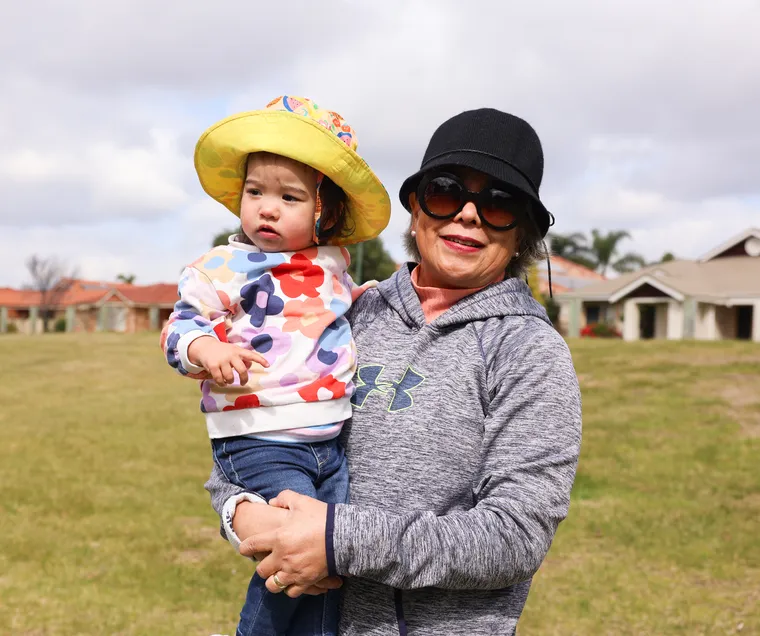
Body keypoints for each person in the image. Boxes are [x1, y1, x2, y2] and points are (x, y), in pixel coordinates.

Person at [205, 106, 583, 636]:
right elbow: (250, 438)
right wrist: (242, 514)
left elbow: (515, 537)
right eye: (446, 192)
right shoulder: (342, 311)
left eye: (500, 203)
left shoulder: (530, 351)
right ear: (415, 208)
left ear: (523, 233)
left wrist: (336, 542)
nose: (468, 215)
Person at [161, 95, 390, 636]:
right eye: (255, 192)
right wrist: (208, 351)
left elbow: (335, 311)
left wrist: (373, 297)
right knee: (290, 552)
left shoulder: (331, 263)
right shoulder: (223, 267)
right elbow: (179, 328)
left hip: (329, 442)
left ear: (324, 212)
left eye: (289, 197)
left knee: (327, 567)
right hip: (259, 437)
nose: (267, 208)